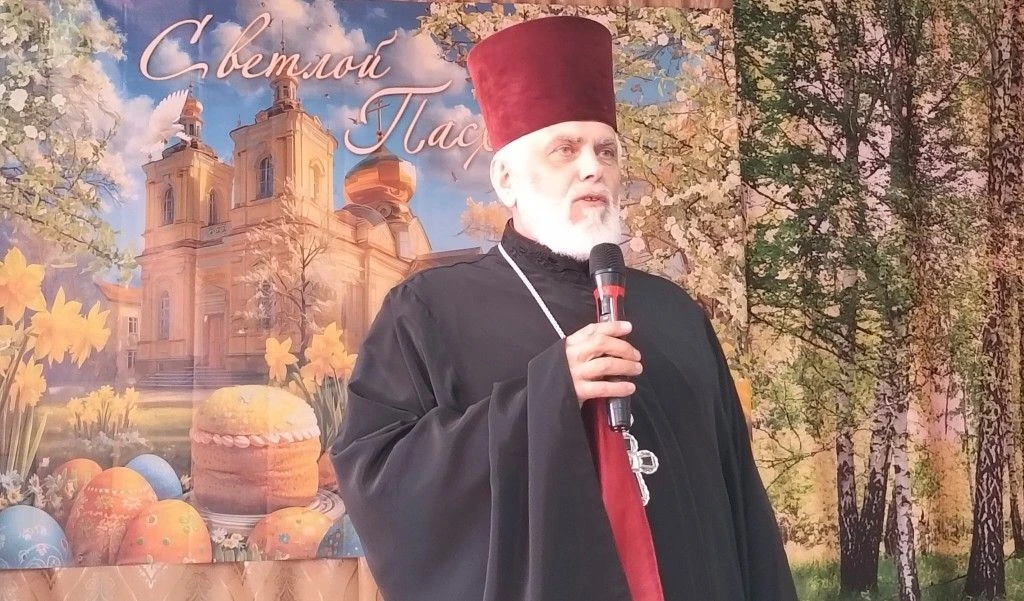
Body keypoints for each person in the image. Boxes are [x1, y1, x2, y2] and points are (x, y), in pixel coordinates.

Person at [330, 15, 798, 601]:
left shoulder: (676, 314)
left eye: (606, 150)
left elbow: (743, 507)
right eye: (565, 149)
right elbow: (378, 478)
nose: (592, 166)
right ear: (506, 178)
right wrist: (548, 393)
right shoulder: (426, 310)